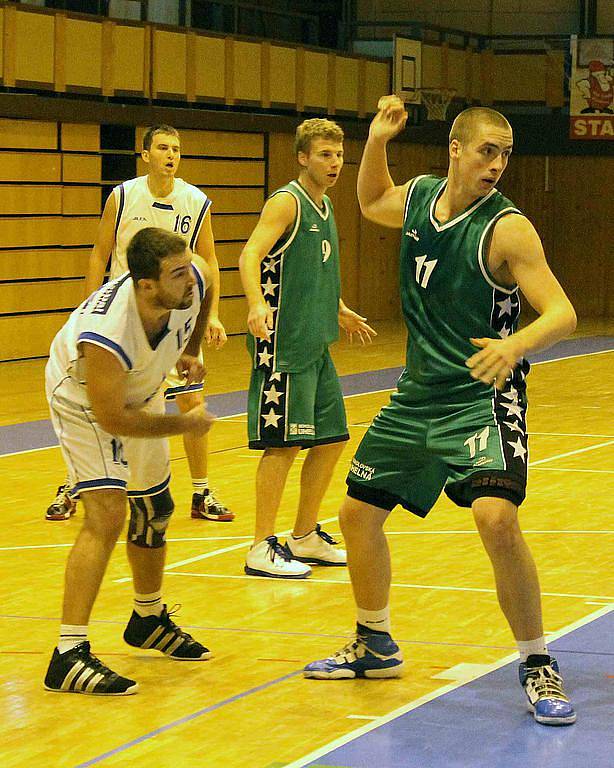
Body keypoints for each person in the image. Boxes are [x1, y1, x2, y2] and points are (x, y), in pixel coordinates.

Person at [304, 97, 578, 727]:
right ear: (456, 150)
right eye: (488, 151)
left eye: (506, 154)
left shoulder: (508, 228)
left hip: (483, 395)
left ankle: (536, 661)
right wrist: (375, 140)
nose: (498, 164)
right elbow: (372, 203)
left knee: (495, 519)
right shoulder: (423, 197)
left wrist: (514, 346)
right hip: (419, 393)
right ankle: (375, 642)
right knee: (355, 515)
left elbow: (560, 313)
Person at [44, 227, 215, 695]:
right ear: (145, 286)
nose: (190, 279)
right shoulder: (106, 333)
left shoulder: (189, 282)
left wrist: (191, 348)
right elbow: (114, 418)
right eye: (177, 274)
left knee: (155, 508)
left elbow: (209, 279)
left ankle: (147, 618)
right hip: (84, 401)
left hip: (139, 388)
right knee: (107, 514)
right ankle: (67, 654)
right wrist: (186, 424)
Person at [45, 124, 233, 523]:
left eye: (177, 149)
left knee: (191, 396)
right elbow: (99, 253)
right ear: (145, 154)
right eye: (163, 147)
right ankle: (74, 482)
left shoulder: (195, 201)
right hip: (126, 320)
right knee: (100, 404)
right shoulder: (124, 195)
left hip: (175, 313)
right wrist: (88, 306)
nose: (171, 154)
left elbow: (209, 262)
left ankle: (201, 492)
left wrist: (211, 316)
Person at [239, 118, 376, 579]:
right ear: (302, 157)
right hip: (284, 343)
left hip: (317, 341)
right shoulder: (287, 202)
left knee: (332, 438)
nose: (334, 163)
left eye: (338, 155)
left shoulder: (325, 205)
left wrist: (337, 307)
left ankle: (303, 535)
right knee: (282, 446)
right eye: (324, 155)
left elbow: (311, 269)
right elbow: (250, 253)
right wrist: (256, 303)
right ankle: (260, 545)